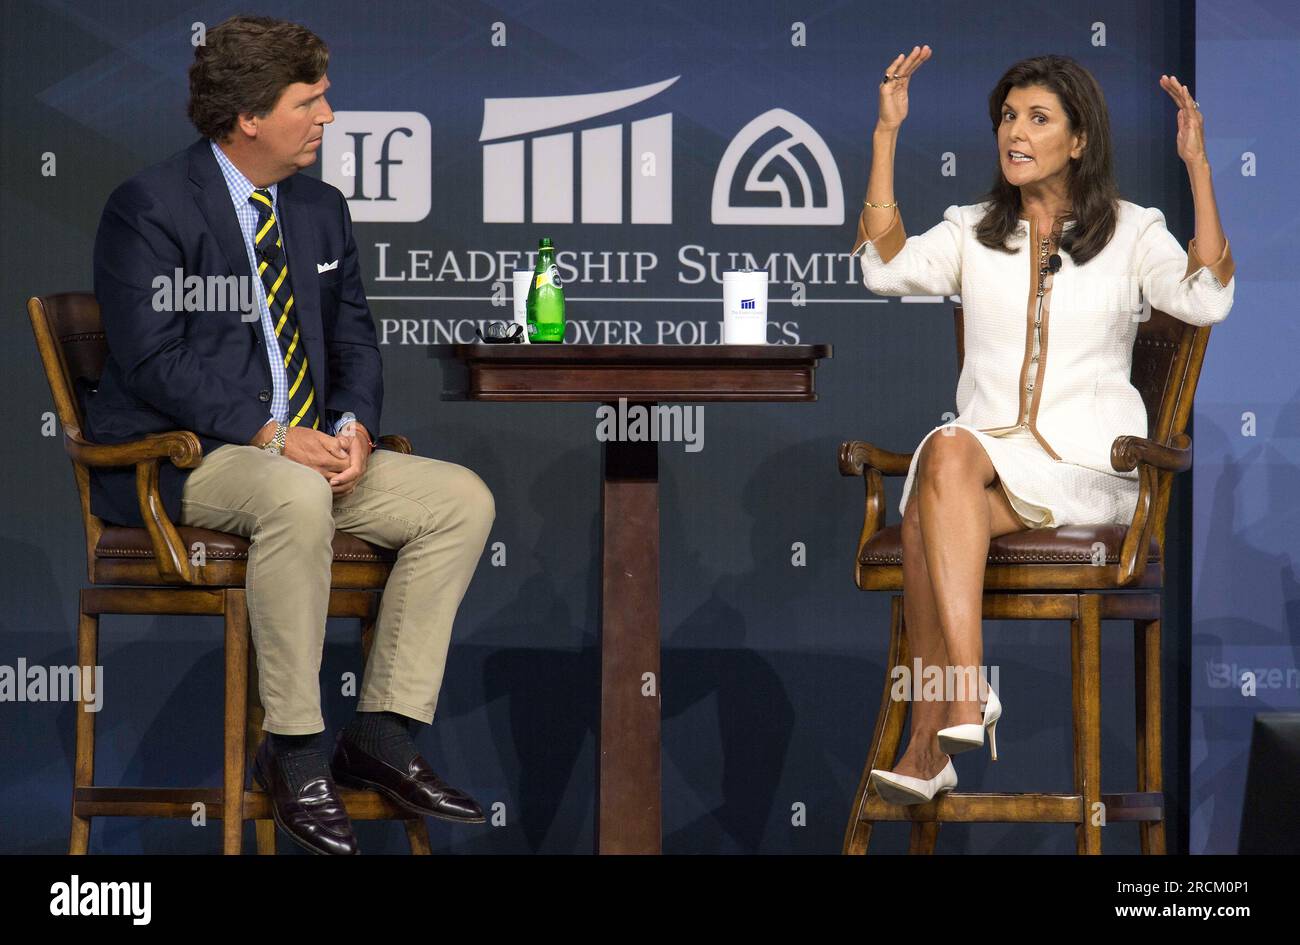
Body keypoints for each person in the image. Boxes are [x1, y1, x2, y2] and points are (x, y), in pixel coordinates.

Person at [84, 15, 495, 853]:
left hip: (305, 457)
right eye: (310, 100)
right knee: (295, 490)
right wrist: (274, 434)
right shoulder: (151, 207)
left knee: (459, 500)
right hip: (185, 459)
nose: (328, 115)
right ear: (249, 116)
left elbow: (355, 337)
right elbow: (156, 358)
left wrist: (351, 425)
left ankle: (379, 733)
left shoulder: (318, 209)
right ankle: (296, 747)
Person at [852, 48, 1234, 805]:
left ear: (1080, 139)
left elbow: (1206, 297)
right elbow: (883, 267)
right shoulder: (973, 230)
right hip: (991, 468)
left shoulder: (1130, 232)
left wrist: (1198, 167)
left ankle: (942, 722)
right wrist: (886, 135)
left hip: (1092, 473)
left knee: (940, 482)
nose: (1014, 133)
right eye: (1006, 117)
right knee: (949, 464)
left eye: (1037, 118)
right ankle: (953, 712)